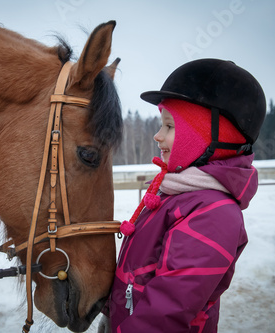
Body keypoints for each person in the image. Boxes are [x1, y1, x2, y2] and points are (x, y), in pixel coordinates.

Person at [99, 58, 266, 332]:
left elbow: (167, 311)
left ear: (211, 135)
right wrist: (111, 314)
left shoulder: (213, 213)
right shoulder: (175, 194)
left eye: (169, 126)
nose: (157, 136)